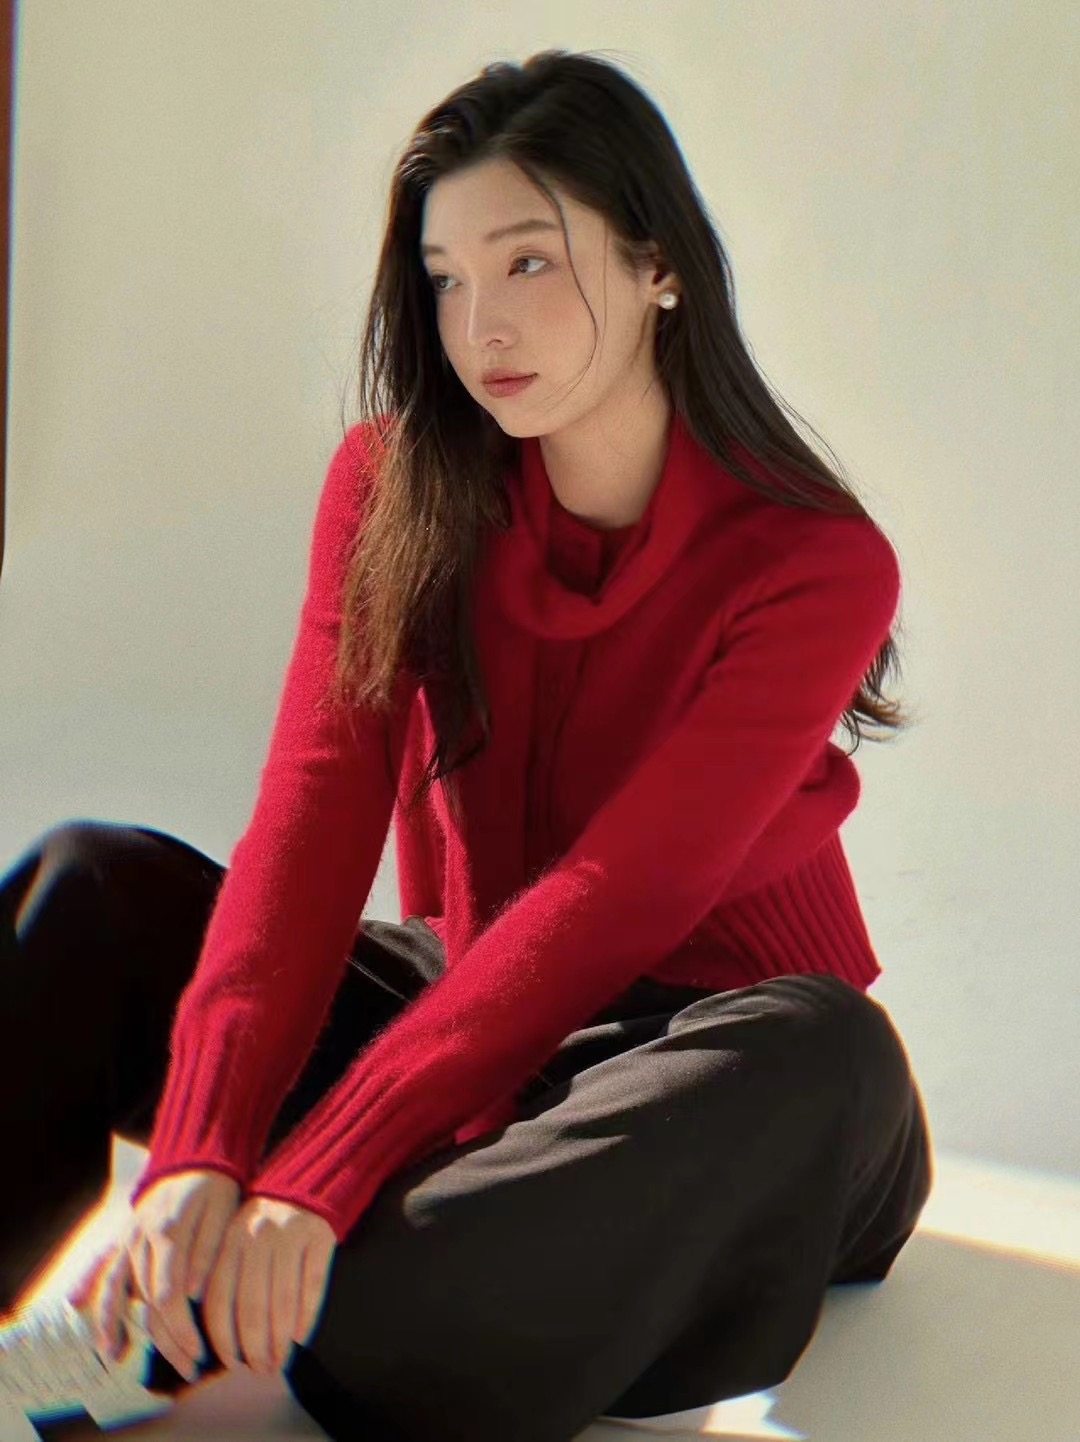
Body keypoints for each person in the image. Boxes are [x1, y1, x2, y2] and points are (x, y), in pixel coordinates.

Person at [0, 47, 933, 1442]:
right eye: (444, 279)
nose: (480, 322)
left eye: (528, 263)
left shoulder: (815, 562)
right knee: (90, 886)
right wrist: (202, 1145)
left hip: (709, 1068)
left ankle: (287, 1302)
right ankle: (292, 1288)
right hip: (483, 1004)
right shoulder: (396, 489)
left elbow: (621, 896)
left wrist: (316, 1171)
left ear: (659, 265)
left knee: (819, 1045)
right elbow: (313, 820)